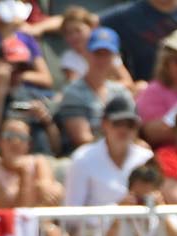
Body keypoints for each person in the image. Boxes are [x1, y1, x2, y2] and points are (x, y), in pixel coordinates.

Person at [63, 95, 154, 205]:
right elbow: (72, 215)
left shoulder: (147, 158)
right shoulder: (82, 158)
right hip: (93, 223)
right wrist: (117, 211)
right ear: (104, 123)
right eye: (118, 123)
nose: (124, 129)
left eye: (130, 124)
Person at [55, 25, 132, 153]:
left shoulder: (121, 92)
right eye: (97, 53)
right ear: (86, 54)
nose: (102, 59)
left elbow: (132, 129)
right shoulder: (73, 92)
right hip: (87, 155)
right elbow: (82, 138)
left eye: (107, 54)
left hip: (120, 150)